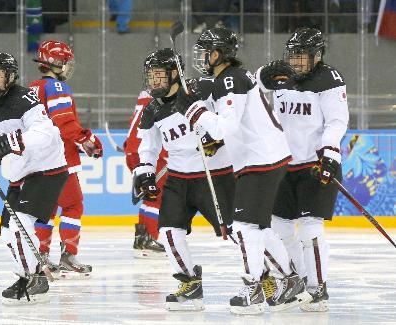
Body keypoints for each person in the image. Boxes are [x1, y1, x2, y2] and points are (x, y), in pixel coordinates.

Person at [178, 27, 311, 314]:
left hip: (261, 160)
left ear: (219, 54)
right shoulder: (228, 78)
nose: (201, 57)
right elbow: (224, 126)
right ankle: (289, 278)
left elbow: (226, 126)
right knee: (257, 227)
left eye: (206, 52)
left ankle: (254, 288)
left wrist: (194, 111)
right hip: (261, 158)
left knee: (246, 227)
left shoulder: (230, 79)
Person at [0, 52, 68, 303]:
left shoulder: (25, 98)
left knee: (20, 223)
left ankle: (32, 279)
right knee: (8, 231)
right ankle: (32, 275)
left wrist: (11, 142)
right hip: (20, 175)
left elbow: (46, 134)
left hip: (46, 170)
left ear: (11, 76)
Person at [256, 27, 349, 312]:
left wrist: (330, 153)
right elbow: (250, 89)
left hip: (315, 164)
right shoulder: (281, 76)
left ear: (317, 56)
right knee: (281, 229)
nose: (295, 62)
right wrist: (262, 74)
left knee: (310, 230)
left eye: (302, 57)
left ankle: (318, 287)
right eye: (293, 56)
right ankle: (300, 280)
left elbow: (336, 121)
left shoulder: (329, 80)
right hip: (283, 164)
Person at [136, 48, 234, 311]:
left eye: (159, 75)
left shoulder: (200, 91)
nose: (153, 82)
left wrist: (216, 137)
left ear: (173, 74)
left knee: (239, 232)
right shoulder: (153, 109)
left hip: (214, 174)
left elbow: (228, 116)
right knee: (168, 232)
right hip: (178, 179)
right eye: (150, 76)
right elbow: (148, 145)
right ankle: (189, 281)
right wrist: (145, 170)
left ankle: (272, 276)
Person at [29, 40, 103, 278]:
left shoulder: (32, 88)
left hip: (36, 158)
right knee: (72, 204)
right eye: (65, 61)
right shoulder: (57, 88)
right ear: (55, 62)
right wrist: (86, 139)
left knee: (46, 209)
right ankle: (68, 255)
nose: (68, 66)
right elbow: (64, 122)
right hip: (59, 158)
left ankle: (40, 257)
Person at [124, 90, 166, 258]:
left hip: (132, 152)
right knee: (156, 196)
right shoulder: (166, 95)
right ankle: (148, 240)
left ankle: (142, 239)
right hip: (148, 152)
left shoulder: (143, 96)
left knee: (149, 195)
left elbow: (132, 123)